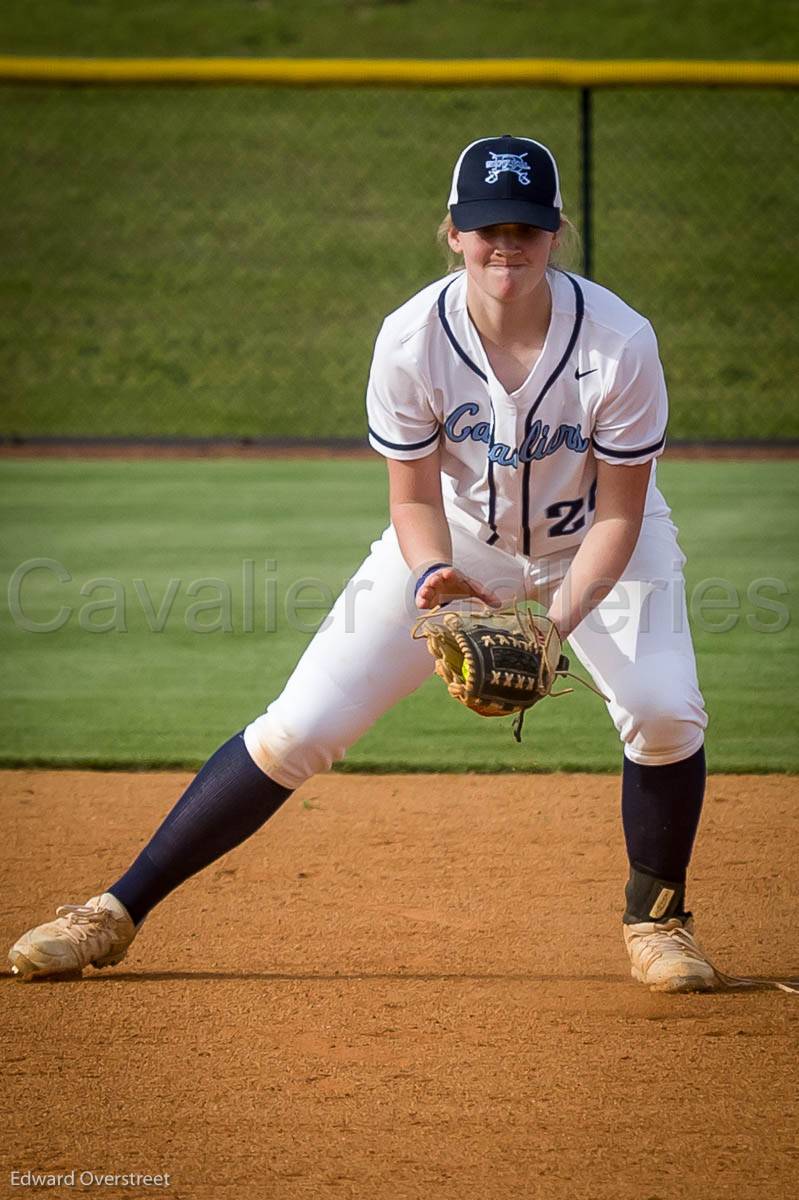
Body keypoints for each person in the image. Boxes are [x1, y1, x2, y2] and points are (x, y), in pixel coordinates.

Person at [9, 134, 716, 993]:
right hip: (453, 543)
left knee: (663, 711)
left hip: (598, 548)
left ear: (555, 233)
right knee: (297, 729)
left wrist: (550, 624)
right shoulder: (412, 337)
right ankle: (111, 914)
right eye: (486, 226)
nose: (506, 245)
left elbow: (621, 511)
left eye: (525, 228)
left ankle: (657, 925)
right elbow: (412, 499)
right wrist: (429, 582)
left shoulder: (618, 341)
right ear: (451, 233)